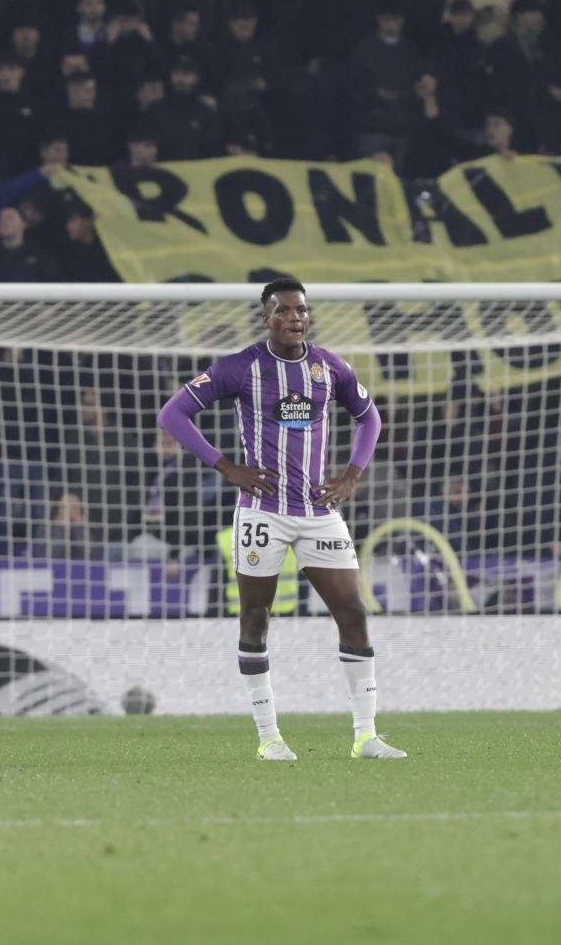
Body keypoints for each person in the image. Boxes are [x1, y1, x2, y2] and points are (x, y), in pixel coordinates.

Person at [155, 277, 403, 762]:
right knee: (255, 617)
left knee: (352, 613)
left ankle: (366, 735)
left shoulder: (328, 367)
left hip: (317, 512)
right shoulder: (240, 367)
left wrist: (352, 474)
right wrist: (225, 466)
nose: (295, 318)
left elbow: (370, 418)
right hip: (262, 512)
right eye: (285, 311)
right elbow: (173, 414)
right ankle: (269, 738)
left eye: (302, 311)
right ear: (266, 318)